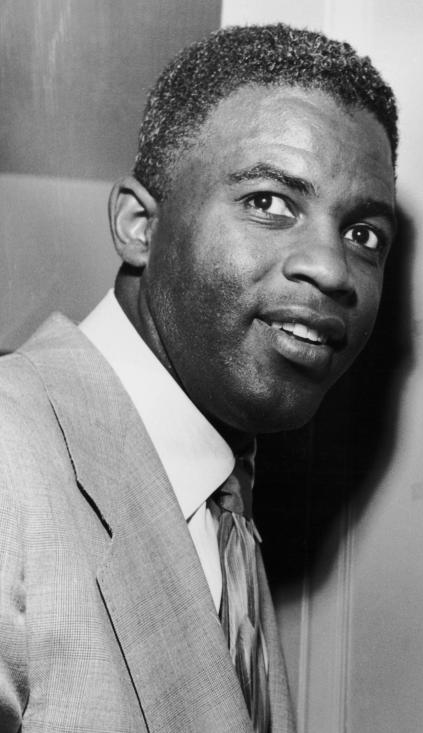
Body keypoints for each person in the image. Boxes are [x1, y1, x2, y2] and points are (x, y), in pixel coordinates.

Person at [0, 23, 398, 732]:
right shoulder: (11, 452)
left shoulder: (224, 514)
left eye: (363, 233)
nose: (333, 269)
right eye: (269, 202)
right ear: (137, 226)